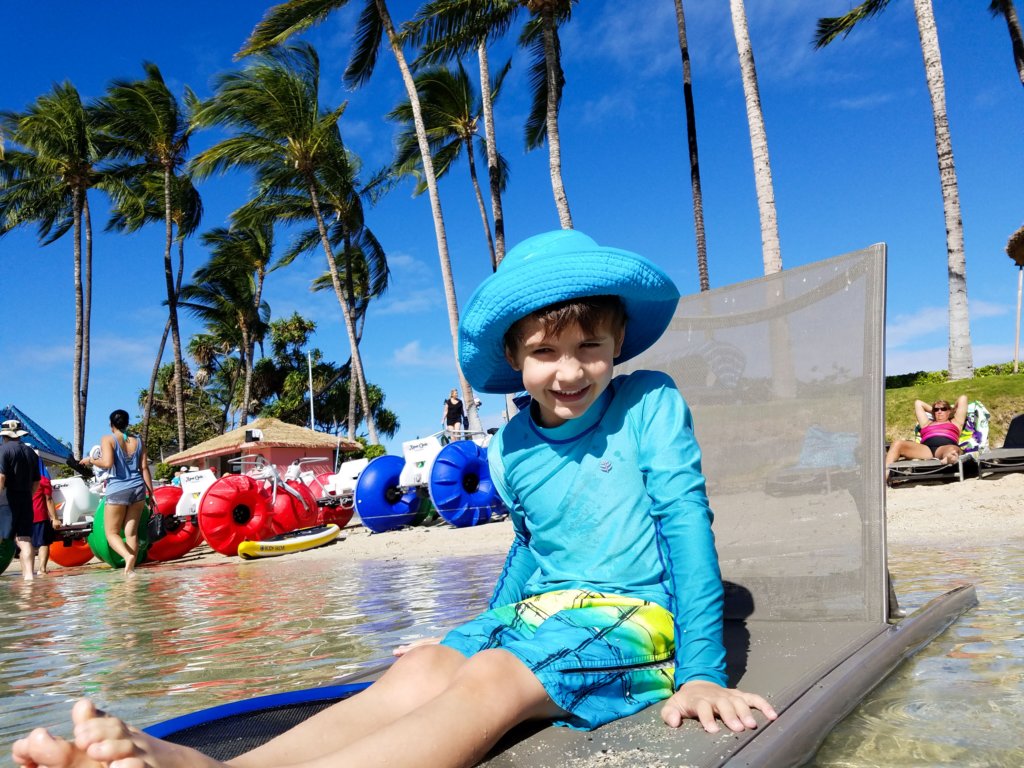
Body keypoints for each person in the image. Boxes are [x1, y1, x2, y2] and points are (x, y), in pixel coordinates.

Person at [12, 230, 776, 768]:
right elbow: (530, 550)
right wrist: (467, 630)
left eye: (590, 348)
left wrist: (704, 668)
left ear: (617, 346)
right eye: (545, 352)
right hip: (537, 612)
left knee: (492, 680)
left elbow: (685, 526)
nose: (570, 370)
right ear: (514, 359)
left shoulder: (649, 404)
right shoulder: (508, 447)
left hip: (633, 619)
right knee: (415, 673)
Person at [78, 409, 153, 578]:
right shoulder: (139, 441)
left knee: (111, 533)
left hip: (118, 489)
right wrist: (151, 493)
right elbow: (144, 468)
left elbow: (107, 462)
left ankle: (128, 556)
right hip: (138, 489)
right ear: (127, 423)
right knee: (131, 533)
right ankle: (131, 569)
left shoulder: (108, 439)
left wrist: (90, 460)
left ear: (112, 425)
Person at [884, 395, 968, 477]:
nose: (939, 411)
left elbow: (963, 398)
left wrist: (952, 410)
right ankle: (884, 474)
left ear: (948, 411)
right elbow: (918, 403)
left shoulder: (956, 422)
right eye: (936, 409)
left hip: (945, 447)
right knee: (897, 443)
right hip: (925, 449)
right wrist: (935, 410)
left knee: (952, 450)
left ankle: (949, 458)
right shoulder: (926, 423)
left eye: (943, 409)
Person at [0, 419, 41, 582]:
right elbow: (37, 481)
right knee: (25, 540)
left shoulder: (2, 450)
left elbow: (1, 477)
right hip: (25, 499)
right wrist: (28, 496)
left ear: (5, 436)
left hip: (6, 500)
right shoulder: (30, 452)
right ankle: (29, 577)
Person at [31, 453, 61, 576]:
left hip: (24, 516)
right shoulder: (43, 480)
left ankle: (28, 571)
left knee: (27, 544)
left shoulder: (20, 479)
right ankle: (42, 569)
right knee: (43, 543)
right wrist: (55, 518)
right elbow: (48, 499)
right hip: (39, 515)